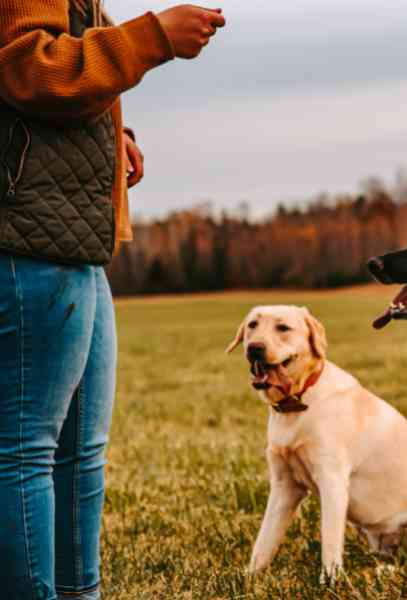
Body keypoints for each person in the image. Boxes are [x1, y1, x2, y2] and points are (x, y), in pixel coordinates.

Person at [0, 2, 225, 598]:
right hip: (29, 240)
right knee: (25, 454)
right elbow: (30, 68)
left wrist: (110, 128)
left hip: (74, 240)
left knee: (81, 453)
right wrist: (152, 38)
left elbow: (60, 79)